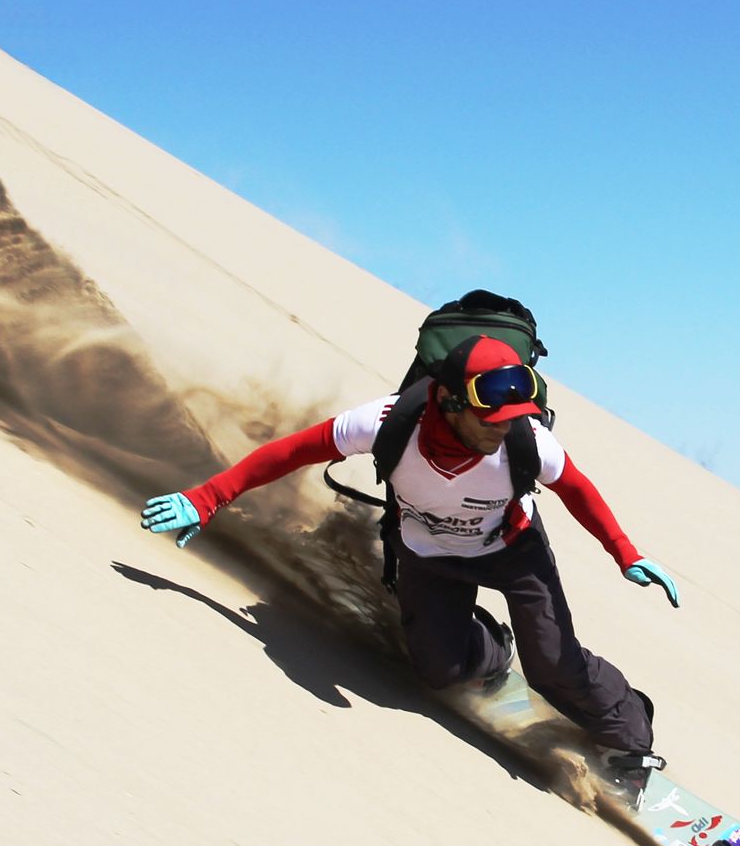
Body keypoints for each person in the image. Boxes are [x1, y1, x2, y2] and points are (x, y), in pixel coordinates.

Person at [138, 338, 681, 795]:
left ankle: (629, 743)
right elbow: (289, 452)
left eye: (515, 416)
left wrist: (625, 553)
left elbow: (577, 488)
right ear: (447, 400)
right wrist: (207, 497)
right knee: (440, 671)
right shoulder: (383, 423)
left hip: (515, 553)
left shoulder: (526, 439)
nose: (504, 426)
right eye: (491, 415)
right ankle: (490, 649)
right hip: (429, 557)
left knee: (554, 665)